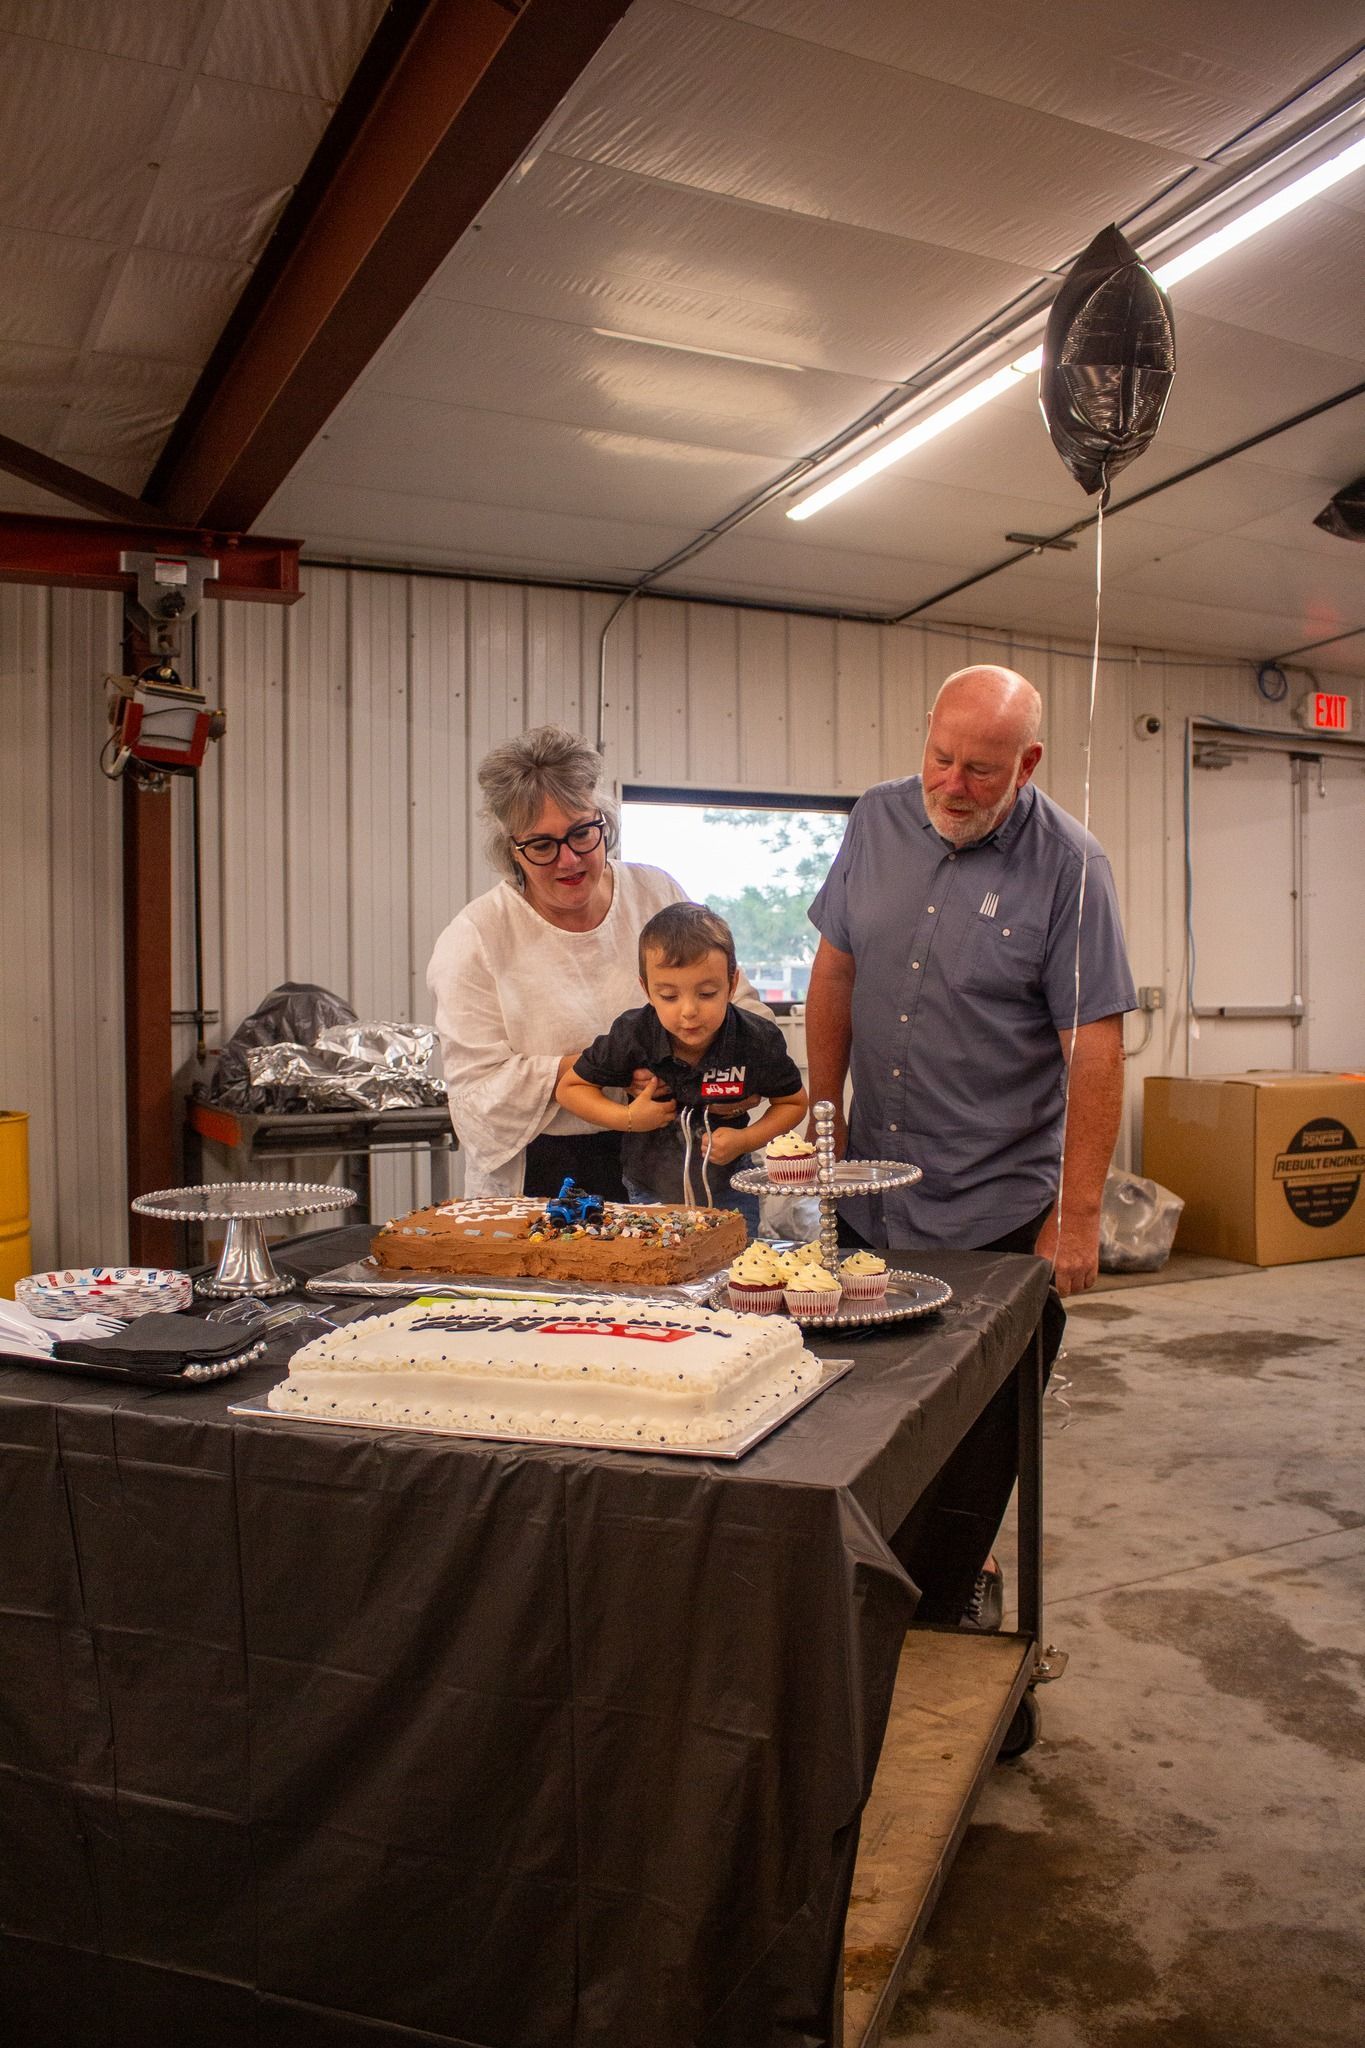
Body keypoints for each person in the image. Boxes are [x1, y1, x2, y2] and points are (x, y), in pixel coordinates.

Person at [805, 664, 1137, 1626]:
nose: (951, 785)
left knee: (975, 1432)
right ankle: (863, 1590)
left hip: (993, 1205)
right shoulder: (874, 820)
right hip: (869, 1192)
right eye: (940, 758)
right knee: (859, 1412)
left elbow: (1096, 1046)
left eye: (981, 771)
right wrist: (824, 1140)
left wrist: (1077, 1219)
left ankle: (952, 1593)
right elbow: (835, 974)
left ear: (1027, 763)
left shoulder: (1072, 868)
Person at [427, 725, 773, 1201]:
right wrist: (607, 1067)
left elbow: (740, 1004)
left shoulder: (656, 894)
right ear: (510, 848)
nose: (569, 860)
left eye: (582, 834)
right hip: (547, 1174)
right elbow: (477, 1093)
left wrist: (736, 1065)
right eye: (542, 845)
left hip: (677, 1156)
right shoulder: (477, 939)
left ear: (603, 821)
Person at [556, 902, 807, 1219]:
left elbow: (794, 1103)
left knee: (735, 1266)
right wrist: (629, 1118)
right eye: (669, 996)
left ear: (731, 985)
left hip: (731, 1189)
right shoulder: (632, 1034)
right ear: (646, 989)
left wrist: (745, 1139)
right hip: (648, 1191)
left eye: (706, 994)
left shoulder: (757, 1039)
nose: (688, 1011)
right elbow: (570, 1088)